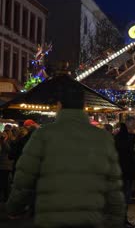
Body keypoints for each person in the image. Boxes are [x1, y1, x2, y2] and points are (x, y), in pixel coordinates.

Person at [6, 85, 125, 227]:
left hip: (51, 218)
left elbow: (24, 178)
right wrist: (116, 218)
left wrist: (14, 207)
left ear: (59, 105)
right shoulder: (103, 137)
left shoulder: (43, 135)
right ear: (84, 106)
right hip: (89, 219)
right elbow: (113, 185)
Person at [115, 117, 135, 227]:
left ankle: (123, 219)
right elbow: (128, 153)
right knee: (125, 197)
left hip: (123, 171)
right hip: (124, 171)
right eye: (133, 123)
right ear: (128, 124)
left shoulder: (121, 136)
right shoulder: (126, 137)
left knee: (125, 197)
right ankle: (122, 220)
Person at [0, 130, 13, 202]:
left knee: (4, 182)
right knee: (3, 182)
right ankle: (4, 197)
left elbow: (9, 150)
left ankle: (5, 197)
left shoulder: (7, 142)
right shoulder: (5, 142)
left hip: (5, 165)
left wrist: (3, 141)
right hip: (4, 165)